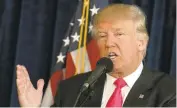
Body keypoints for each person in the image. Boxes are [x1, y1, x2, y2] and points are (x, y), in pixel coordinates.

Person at [16, 4, 176, 107]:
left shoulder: (168, 92)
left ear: (141, 43)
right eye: (102, 35)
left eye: (119, 34)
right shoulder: (71, 89)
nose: (109, 43)